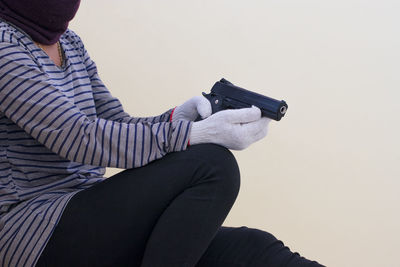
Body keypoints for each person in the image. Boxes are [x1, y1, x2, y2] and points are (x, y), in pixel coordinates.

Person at [0, 0, 325, 266]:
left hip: (89, 218)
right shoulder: (4, 45)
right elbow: (80, 137)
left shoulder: (68, 43)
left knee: (254, 249)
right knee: (213, 166)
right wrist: (192, 134)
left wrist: (176, 118)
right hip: (35, 234)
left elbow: (116, 122)